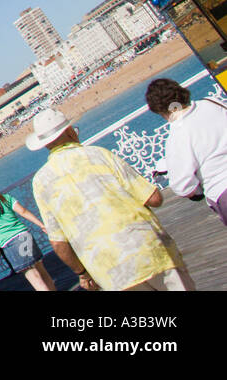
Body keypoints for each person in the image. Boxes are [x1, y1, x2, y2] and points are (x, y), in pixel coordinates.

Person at [28, 107, 193, 291]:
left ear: (44, 144)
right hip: (150, 250)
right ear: (69, 131)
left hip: (110, 272)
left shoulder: (41, 182)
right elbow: (154, 198)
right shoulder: (98, 154)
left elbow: (59, 243)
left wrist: (82, 273)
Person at [146, 78, 227, 227]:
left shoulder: (177, 135)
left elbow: (183, 186)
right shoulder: (212, 103)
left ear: (159, 110)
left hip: (221, 188)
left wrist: (196, 188)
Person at [0, 175, 55, 291]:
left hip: (10, 243)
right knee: (42, 271)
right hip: (24, 235)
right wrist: (41, 225)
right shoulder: (5, 198)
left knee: (33, 276)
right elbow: (23, 211)